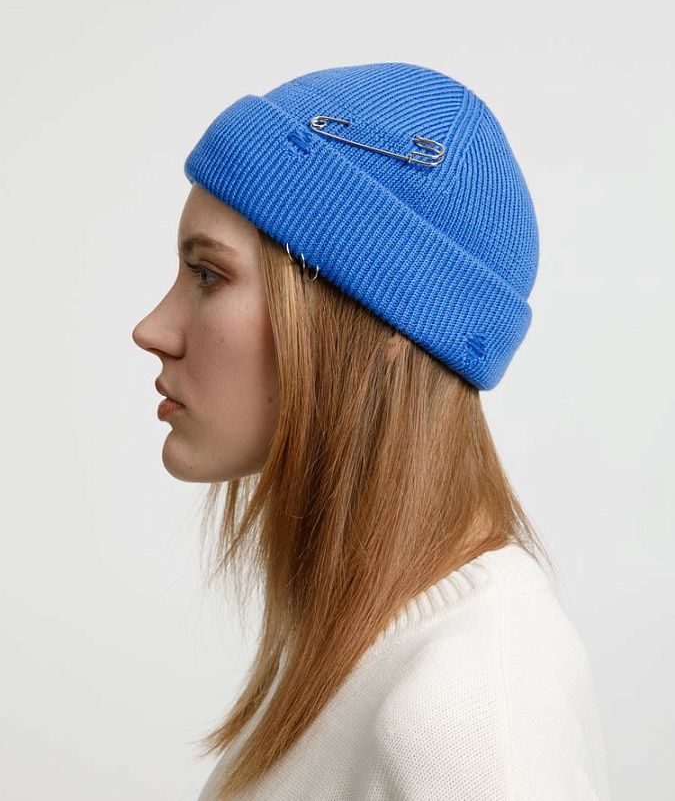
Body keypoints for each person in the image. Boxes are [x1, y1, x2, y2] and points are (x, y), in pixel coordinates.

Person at [132, 62, 610, 800]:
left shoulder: (472, 706)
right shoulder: (370, 652)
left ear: (378, 322)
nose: (153, 329)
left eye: (208, 275)